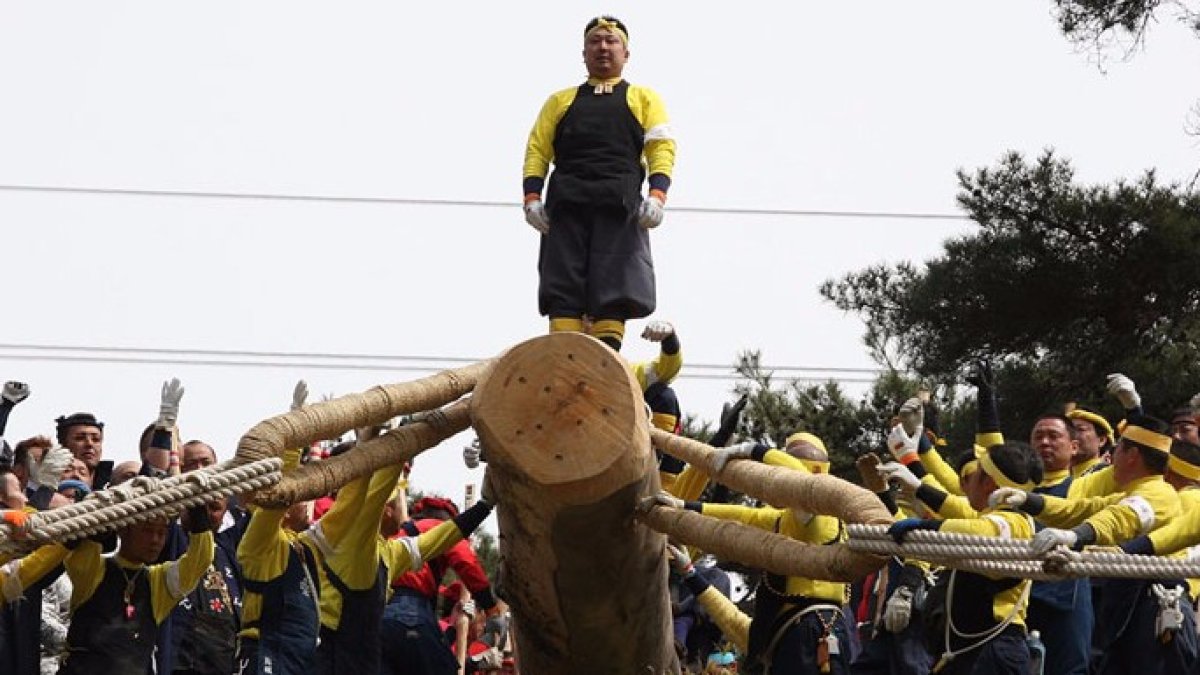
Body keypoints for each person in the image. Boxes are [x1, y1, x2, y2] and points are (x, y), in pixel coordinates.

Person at [522, 15, 676, 351]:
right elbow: (537, 149)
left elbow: (660, 147)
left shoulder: (643, 99)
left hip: (618, 205)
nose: (603, 47)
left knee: (613, 283)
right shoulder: (559, 101)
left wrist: (658, 195)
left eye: (611, 40)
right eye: (595, 41)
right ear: (584, 52)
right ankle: (562, 356)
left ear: (626, 52)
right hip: (566, 205)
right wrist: (532, 197)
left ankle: (605, 360)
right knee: (563, 285)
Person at [58, 503, 215, 675]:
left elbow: (200, 559)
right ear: (123, 530)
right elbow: (81, 555)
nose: (155, 540)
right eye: (147, 531)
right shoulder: (95, 569)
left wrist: (197, 509)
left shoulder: (157, 582)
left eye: (161, 533)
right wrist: (101, 525)